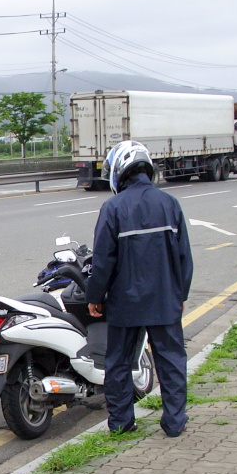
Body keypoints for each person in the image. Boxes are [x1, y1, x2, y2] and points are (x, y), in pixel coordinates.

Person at [85, 140, 193, 437]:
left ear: (119, 171)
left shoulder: (113, 208)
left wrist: (95, 296)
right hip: (164, 299)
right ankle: (174, 423)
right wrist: (180, 295)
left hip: (125, 303)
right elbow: (184, 256)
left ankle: (121, 423)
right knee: (171, 361)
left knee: (119, 363)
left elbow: (103, 260)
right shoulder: (169, 204)